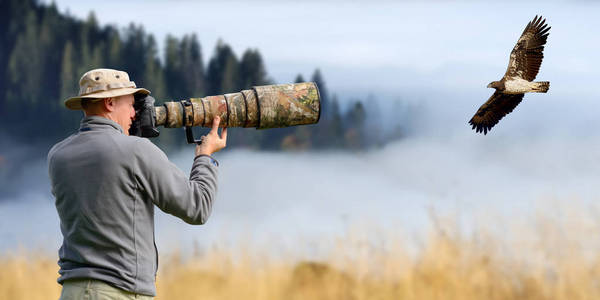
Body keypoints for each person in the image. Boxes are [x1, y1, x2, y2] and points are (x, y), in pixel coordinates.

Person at [48, 68, 227, 299]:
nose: (135, 113)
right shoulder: (135, 151)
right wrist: (205, 156)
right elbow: (197, 207)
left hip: (72, 291)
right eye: (131, 104)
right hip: (119, 292)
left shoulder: (57, 155)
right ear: (110, 103)